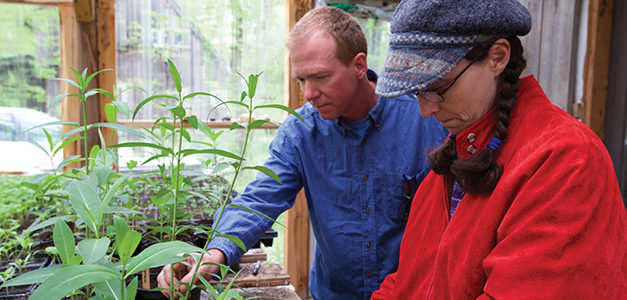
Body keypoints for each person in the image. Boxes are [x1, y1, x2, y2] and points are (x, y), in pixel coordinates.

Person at [157, 6, 447, 299]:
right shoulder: (301, 131)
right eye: (301, 80)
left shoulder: (426, 120)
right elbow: (259, 199)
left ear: (359, 65)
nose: (308, 93)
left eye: (320, 77)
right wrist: (214, 253)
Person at [369, 0, 627, 299]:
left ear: (498, 57)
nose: (426, 111)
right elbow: (409, 281)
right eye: (417, 92)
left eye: (437, 88)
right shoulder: (453, 162)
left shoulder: (566, 159)